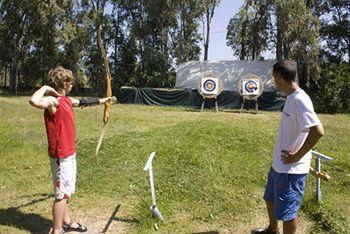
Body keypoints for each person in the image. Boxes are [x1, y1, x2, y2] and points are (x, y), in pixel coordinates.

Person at [29, 66, 115, 234]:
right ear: (65, 83)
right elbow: (34, 101)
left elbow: (84, 102)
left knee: (66, 190)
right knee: (61, 195)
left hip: (69, 154)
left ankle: (66, 221)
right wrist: (46, 88)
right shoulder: (53, 102)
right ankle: (57, 230)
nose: (72, 85)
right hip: (61, 156)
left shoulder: (67, 100)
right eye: (71, 82)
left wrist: (105, 100)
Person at [252, 60, 324, 234]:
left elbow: (318, 131)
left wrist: (297, 156)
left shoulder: (300, 100)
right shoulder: (291, 97)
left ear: (279, 77)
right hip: (279, 165)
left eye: (274, 77)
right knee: (270, 199)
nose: (273, 80)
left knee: (288, 213)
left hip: (291, 171)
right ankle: (272, 229)